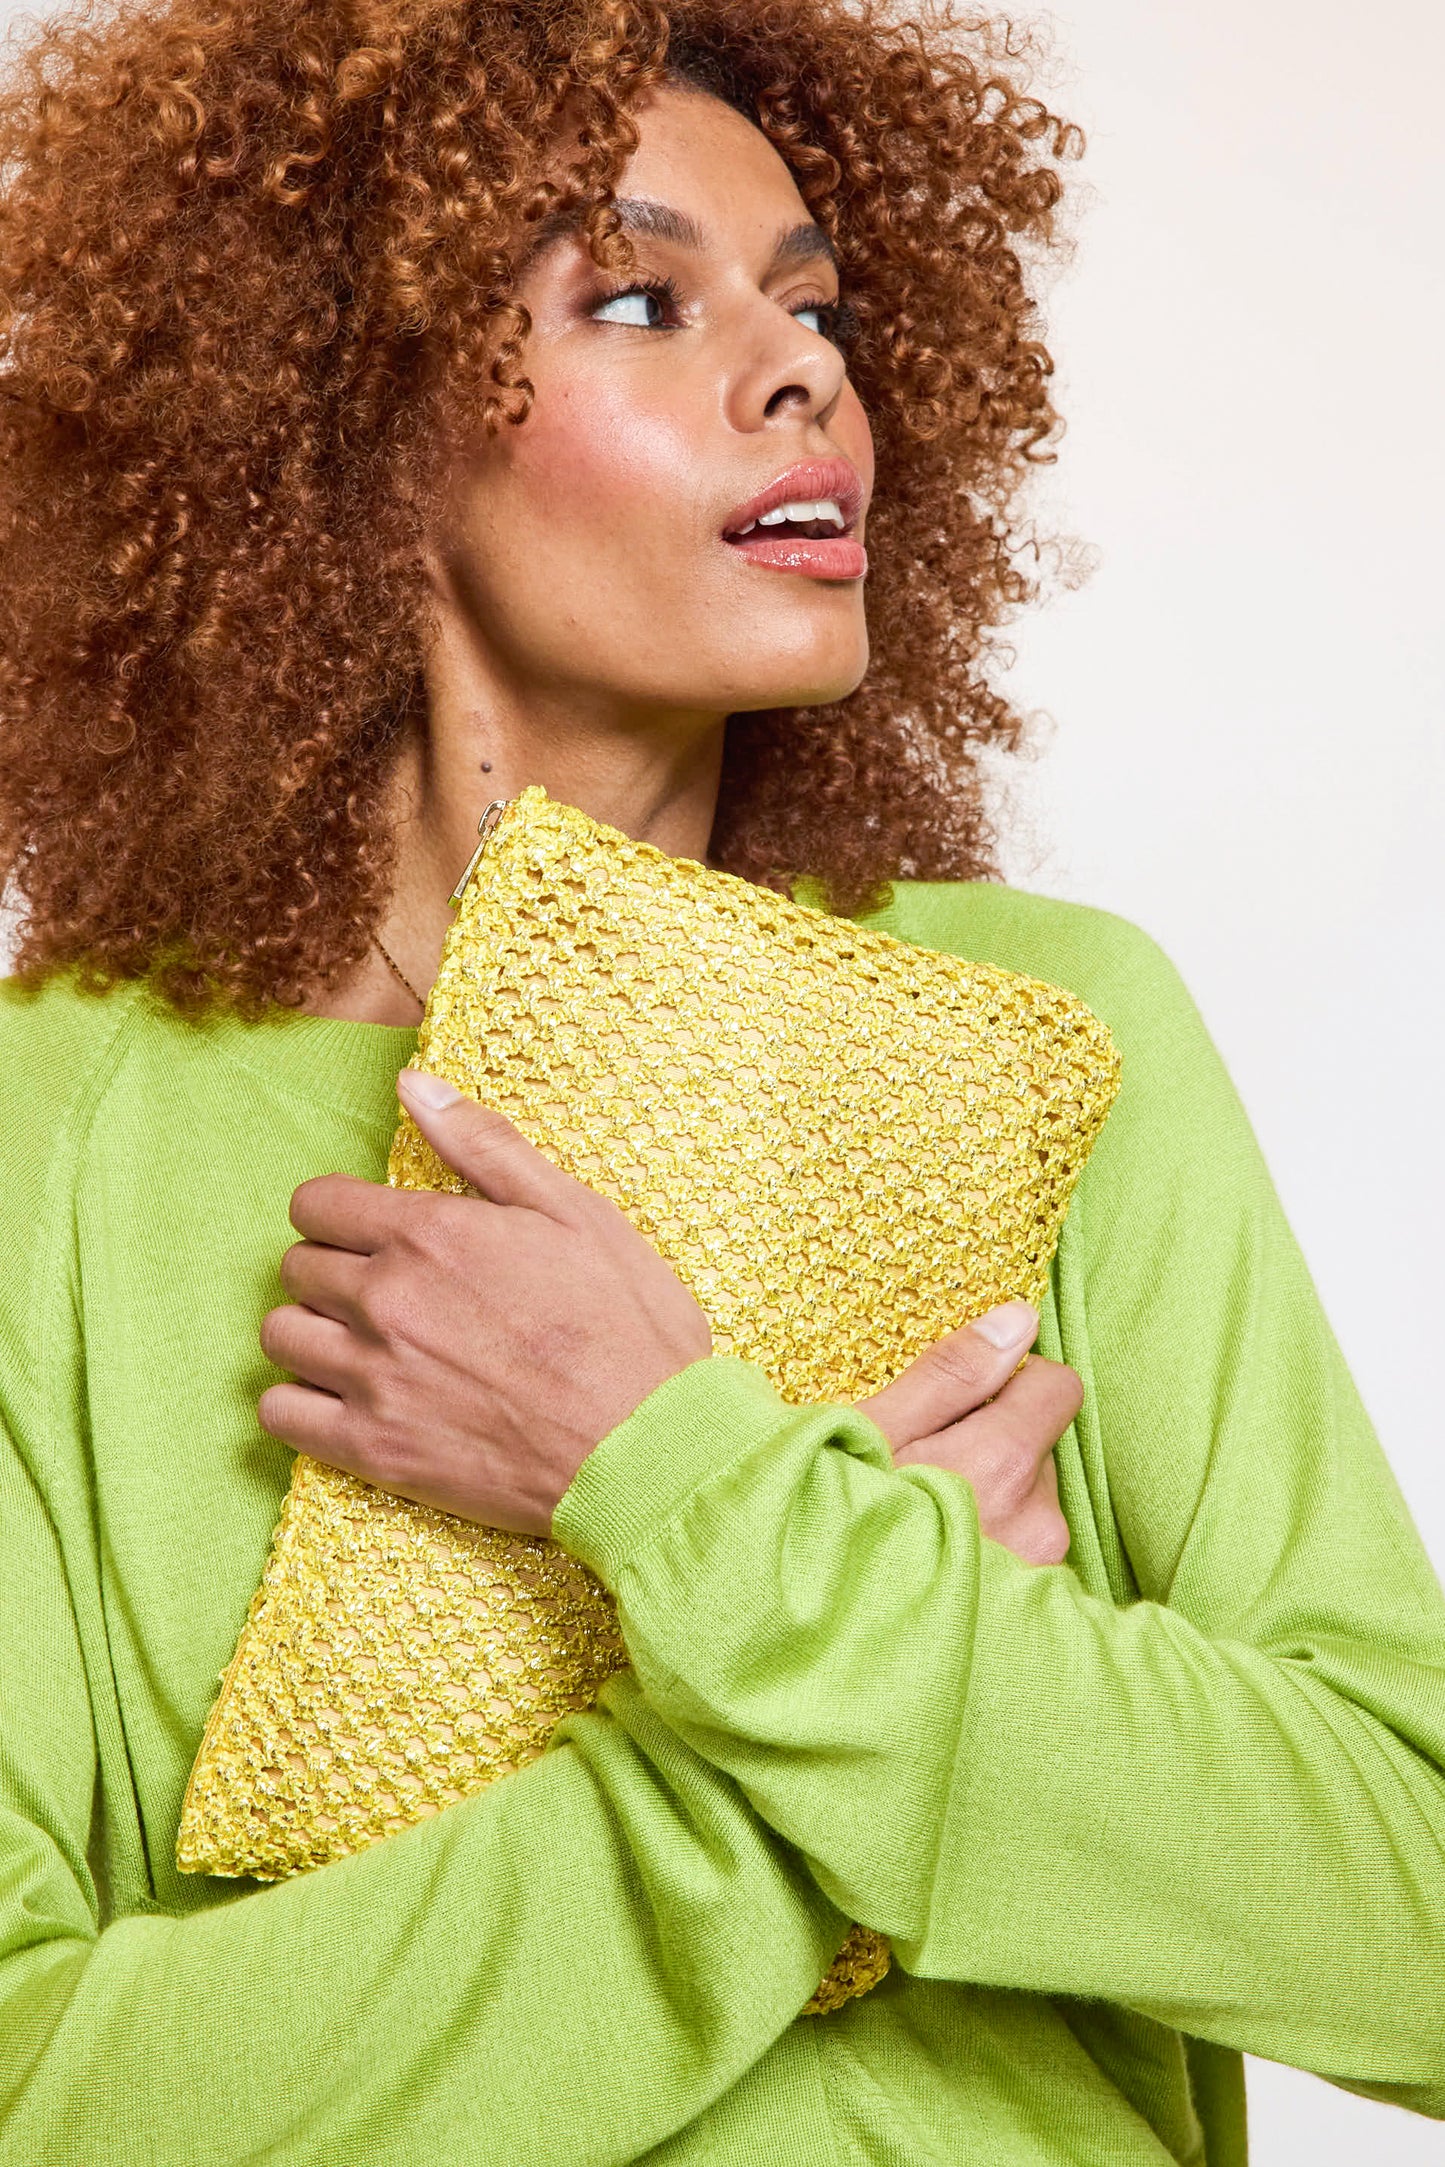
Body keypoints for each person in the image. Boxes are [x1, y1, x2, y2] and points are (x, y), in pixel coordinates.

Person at [1, 1, 1442, 2161]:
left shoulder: (1047, 1027)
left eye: (816, 308)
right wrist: (779, 1754)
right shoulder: (50, 1132)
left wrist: (675, 1486)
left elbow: (1415, 1919)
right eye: (639, 298)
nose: (802, 376)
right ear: (346, 426)